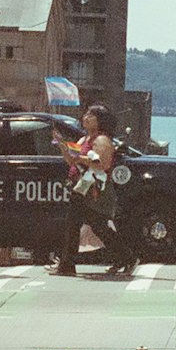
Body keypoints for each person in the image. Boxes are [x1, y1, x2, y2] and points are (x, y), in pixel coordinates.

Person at [50, 103, 137, 277]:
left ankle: (126, 257)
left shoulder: (102, 140)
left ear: (100, 121)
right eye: (86, 114)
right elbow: (72, 160)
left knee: (94, 226)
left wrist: (80, 158)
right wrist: (62, 146)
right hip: (81, 186)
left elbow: (102, 164)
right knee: (79, 225)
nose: (86, 117)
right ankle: (68, 264)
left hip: (94, 188)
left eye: (91, 115)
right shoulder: (84, 140)